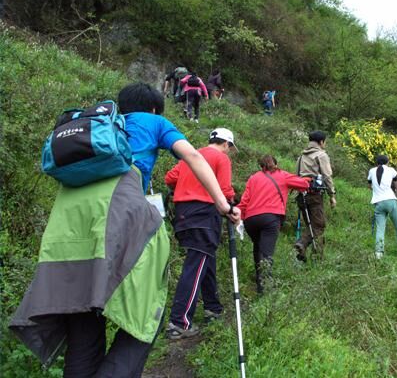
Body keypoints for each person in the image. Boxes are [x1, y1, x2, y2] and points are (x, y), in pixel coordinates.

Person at [9, 83, 240, 377]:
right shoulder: (155, 121)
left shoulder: (97, 129)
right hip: (118, 212)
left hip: (68, 221)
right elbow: (194, 157)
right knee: (148, 316)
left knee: (83, 311)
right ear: (154, 107)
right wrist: (223, 205)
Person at [165, 128, 238, 339]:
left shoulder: (191, 155)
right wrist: (232, 206)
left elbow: (170, 178)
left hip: (182, 213)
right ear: (226, 144)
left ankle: (212, 308)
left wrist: (187, 186)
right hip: (204, 213)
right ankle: (179, 322)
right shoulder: (221, 158)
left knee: (206, 259)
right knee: (195, 264)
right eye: (230, 148)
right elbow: (224, 190)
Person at [237, 155, 310, 293]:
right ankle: (266, 288)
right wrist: (307, 180)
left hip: (250, 219)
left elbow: (244, 200)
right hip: (270, 218)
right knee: (266, 253)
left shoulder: (253, 178)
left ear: (261, 165)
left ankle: (260, 283)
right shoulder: (282, 175)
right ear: (276, 164)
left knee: (258, 249)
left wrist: (239, 217)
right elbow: (303, 184)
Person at [294, 130, 337, 261]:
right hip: (314, 194)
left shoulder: (301, 157)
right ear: (321, 142)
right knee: (319, 225)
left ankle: (309, 255)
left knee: (311, 226)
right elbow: (327, 176)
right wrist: (332, 194)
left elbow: (296, 176)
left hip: (301, 195)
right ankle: (302, 244)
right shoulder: (321, 155)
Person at [368, 155, 397, 259]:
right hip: (391, 201)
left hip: (378, 203)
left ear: (377, 163)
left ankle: (379, 253)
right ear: (387, 162)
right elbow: (396, 184)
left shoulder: (372, 171)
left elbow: (370, 185)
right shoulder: (391, 170)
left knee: (380, 228)